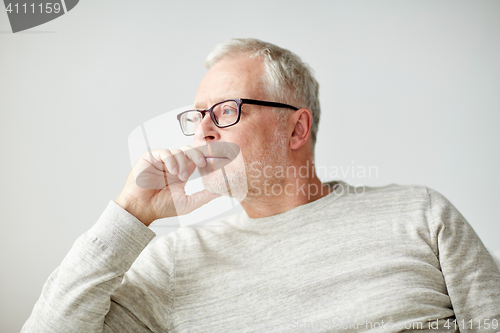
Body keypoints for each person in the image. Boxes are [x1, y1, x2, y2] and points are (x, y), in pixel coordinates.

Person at [22, 38, 500, 333]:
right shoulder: (174, 263)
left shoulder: (421, 214)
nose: (203, 132)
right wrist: (129, 214)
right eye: (197, 117)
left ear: (295, 129)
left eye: (226, 111)